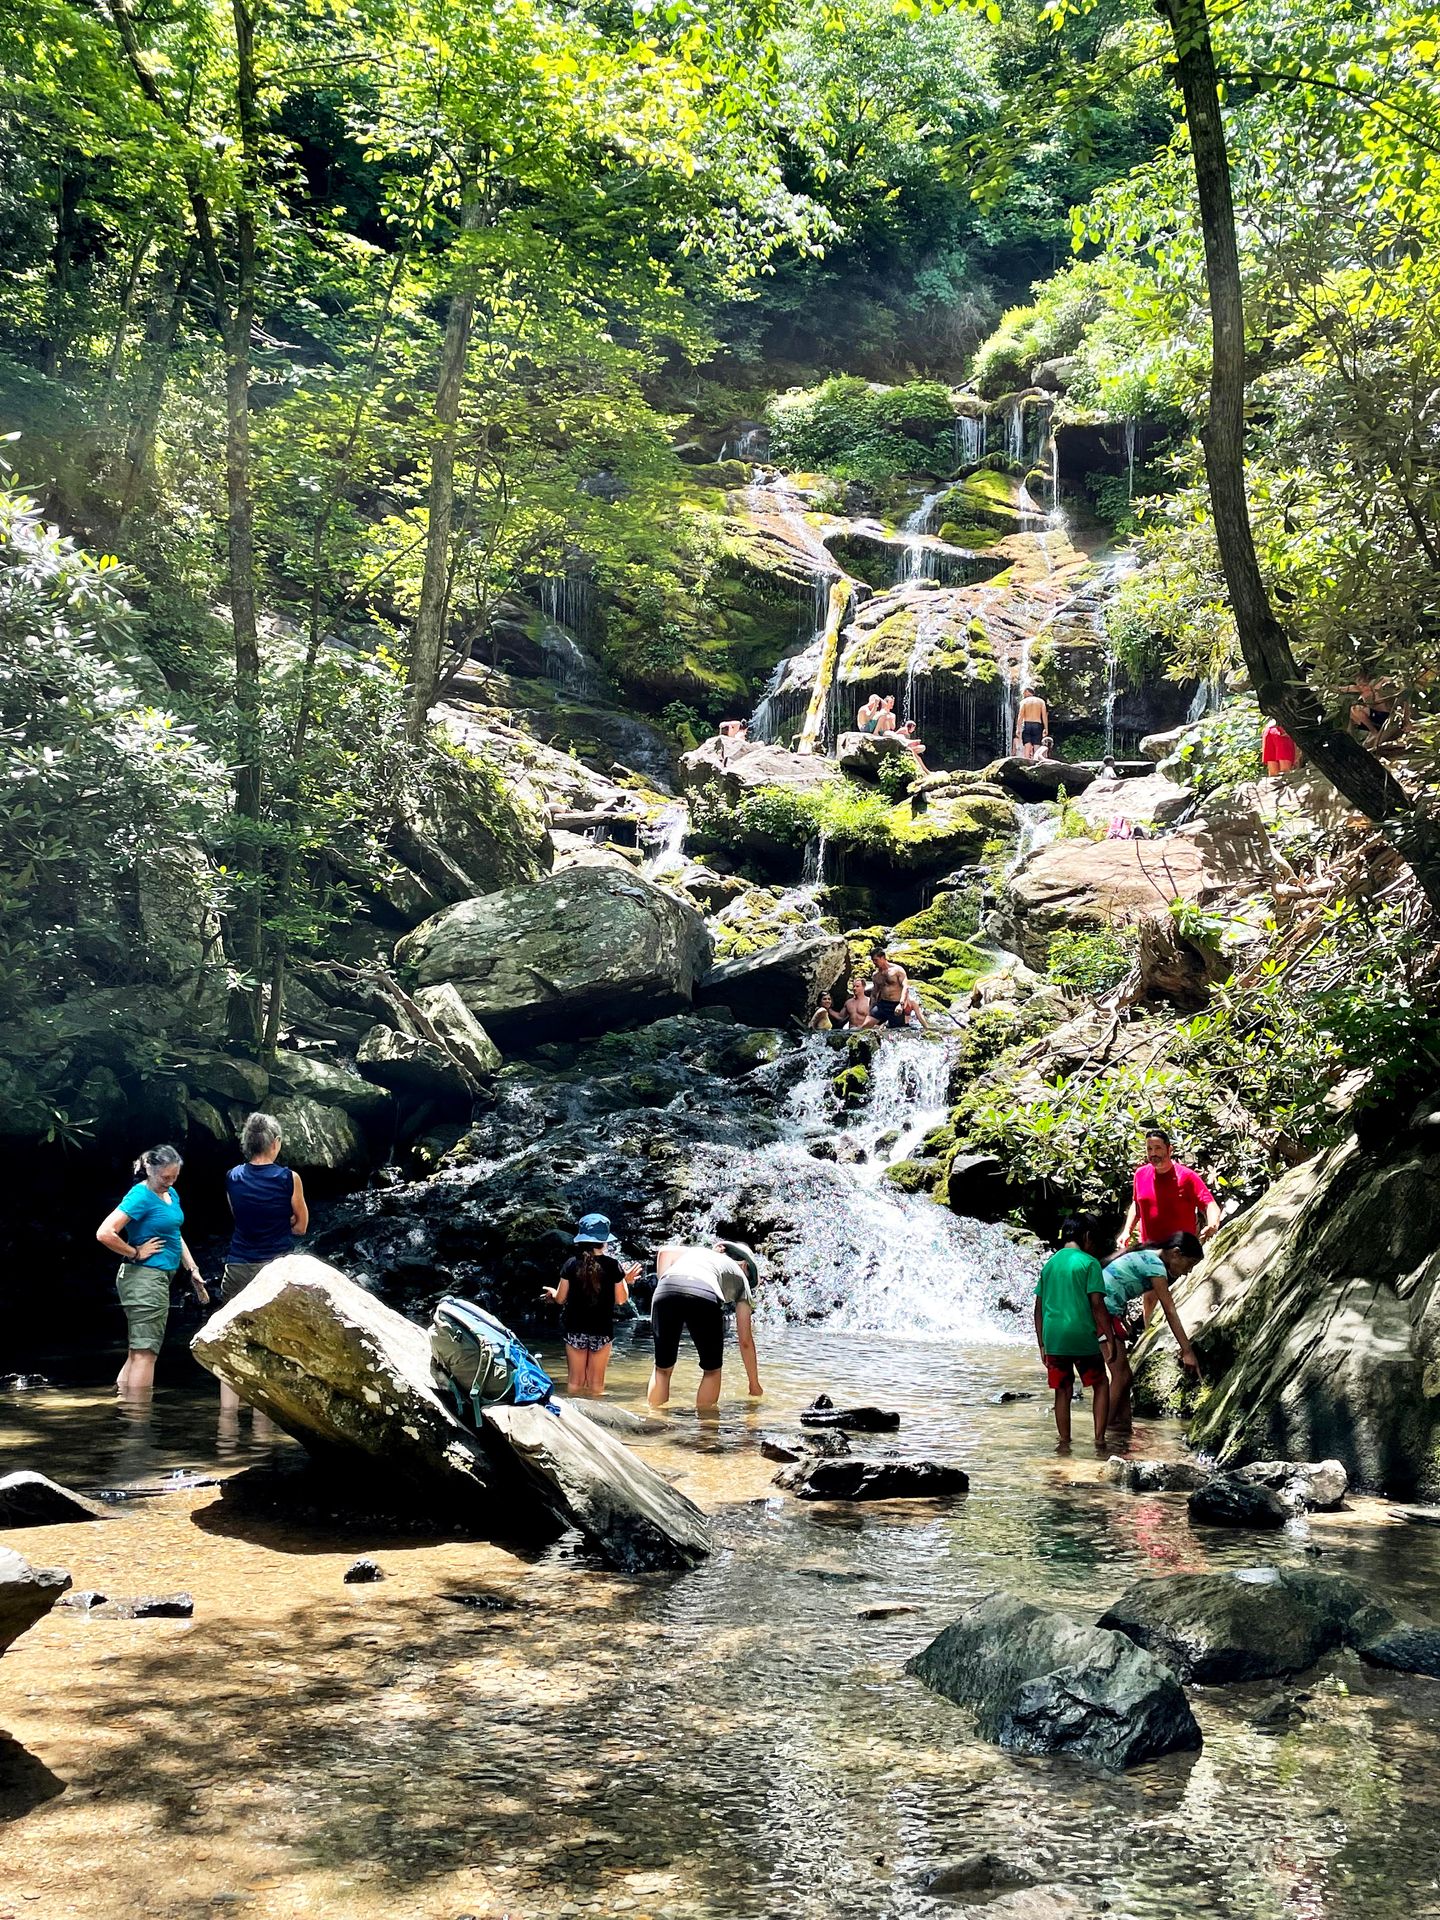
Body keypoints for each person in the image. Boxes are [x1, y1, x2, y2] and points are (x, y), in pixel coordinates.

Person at [96, 1145, 208, 1398]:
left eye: (175, 1176)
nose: (170, 1182)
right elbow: (104, 1233)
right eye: (165, 1177)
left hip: (158, 1278)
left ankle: (124, 1410)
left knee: (138, 1352)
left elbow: (174, 1235)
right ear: (149, 1169)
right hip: (144, 1278)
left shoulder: (171, 1194)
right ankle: (138, 1423)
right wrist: (134, 1252)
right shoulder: (141, 1195)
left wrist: (192, 1268)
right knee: (146, 1354)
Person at [220, 1112, 308, 1415]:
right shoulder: (289, 1178)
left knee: (231, 1340)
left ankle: (227, 1427)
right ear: (275, 1143)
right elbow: (301, 1227)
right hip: (275, 1270)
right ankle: (263, 1431)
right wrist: (284, 1219)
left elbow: (238, 1216)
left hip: (238, 1265)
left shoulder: (232, 1176)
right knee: (273, 1346)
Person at [1100, 1232, 1203, 1432]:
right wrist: (1187, 1350)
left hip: (1105, 1310)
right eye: (1188, 1265)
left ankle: (1121, 1430)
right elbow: (1169, 1310)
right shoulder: (1156, 1267)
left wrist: (1123, 1316)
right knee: (1120, 1377)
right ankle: (1101, 1434)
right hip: (1101, 1313)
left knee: (1125, 1377)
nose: (1186, 1272)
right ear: (1176, 1253)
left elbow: (1118, 1283)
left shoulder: (1148, 1255)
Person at [647, 1240, 762, 1411]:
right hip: (704, 1293)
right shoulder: (741, 1278)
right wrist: (754, 1384)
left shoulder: (696, 1252)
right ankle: (706, 1432)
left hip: (665, 1288)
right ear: (745, 1264)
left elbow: (664, 1251)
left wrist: (669, 1287)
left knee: (662, 1369)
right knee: (712, 1371)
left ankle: (653, 1422)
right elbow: (745, 1340)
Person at [1034, 1216, 1112, 1450]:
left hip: (1054, 1339)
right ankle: (1099, 1440)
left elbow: (1038, 1309)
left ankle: (1064, 1443)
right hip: (1083, 1337)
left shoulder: (1049, 1265)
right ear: (1087, 1236)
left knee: (1062, 1390)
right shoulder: (1090, 1263)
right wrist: (1108, 1337)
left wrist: (1041, 1344)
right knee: (1101, 1383)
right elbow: (1097, 1304)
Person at [544, 1212, 639, 1397]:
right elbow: (621, 1299)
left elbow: (561, 1298)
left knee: (575, 1382)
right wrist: (625, 1280)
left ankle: (573, 1417)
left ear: (581, 1240)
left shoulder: (571, 1264)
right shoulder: (613, 1266)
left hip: (575, 1329)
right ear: (604, 1242)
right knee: (596, 1384)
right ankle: (594, 1419)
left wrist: (552, 1294)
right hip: (602, 1331)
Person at [1122, 1129, 1220, 1251]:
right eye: (1149, 1149)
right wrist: (1127, 1231)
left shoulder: (1187, 1176)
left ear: (1169, 1149)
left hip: (1179, 1254)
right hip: (1149, 1251)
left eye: (1158, 1148)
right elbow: (1137, 1204)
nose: (1153, 1153)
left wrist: (1213, 1225)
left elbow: (1210, 1204)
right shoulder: (1140, 1174)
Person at [868, 945, 908, 1028]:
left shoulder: (897, 970)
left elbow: (905, 987)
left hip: (895, 1005)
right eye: (873, 961)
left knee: (896, 1032)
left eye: (876, 960)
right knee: (866, 1025)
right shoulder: (876, 975)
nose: (874, 963)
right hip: (882, 1005)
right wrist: (871, 1009)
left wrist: (901, 1004)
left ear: (883, 957)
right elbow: (874, 993)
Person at [1015, 686, 1048, 760]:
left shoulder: (1024, 701)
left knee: (1027, 746)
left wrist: (1018, 729)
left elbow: (1020, 716)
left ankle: (1026, 764)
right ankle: (1036, 763)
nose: (1023, 694)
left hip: (1026, 724)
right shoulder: (1041, 701)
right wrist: (1046, 728)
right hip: (1037, 724)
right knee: (1037, 746)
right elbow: (1044, 716)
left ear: (1027, 691)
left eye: (1023, 693)